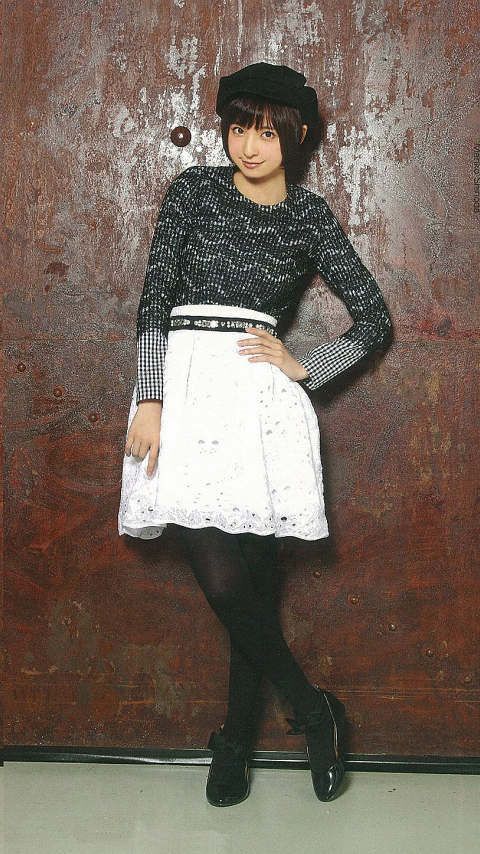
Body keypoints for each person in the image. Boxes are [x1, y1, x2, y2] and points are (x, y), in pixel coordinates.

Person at [117, 61, 393, 807]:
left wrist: (307, 367)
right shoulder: (194, 192)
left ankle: (235, 744)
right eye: (239, 128)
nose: (249, 145)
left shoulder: (309, 217)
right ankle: (313, 709)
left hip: (259, 402)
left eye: (267, 133)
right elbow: (155, 299)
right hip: (184, 389)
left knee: (255, 581)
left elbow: (373, 319)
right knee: (224, 577)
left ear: (294, 138)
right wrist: (150, 398)